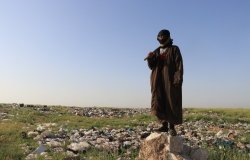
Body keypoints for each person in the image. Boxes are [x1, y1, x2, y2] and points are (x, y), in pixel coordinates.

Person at [145, 29, 183, 136]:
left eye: (163, 36)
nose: (161, 38)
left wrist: (177, 79)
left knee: (171, 101)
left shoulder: (174, 49)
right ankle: (164, 125)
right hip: (158, 80)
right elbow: (151, 66)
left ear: (167, 37)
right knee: (159, 100)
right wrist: (150, 59)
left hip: (170, 80)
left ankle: (172, 127)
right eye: (159, 36)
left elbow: (179, 65)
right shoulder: (156, 51)